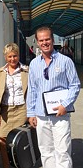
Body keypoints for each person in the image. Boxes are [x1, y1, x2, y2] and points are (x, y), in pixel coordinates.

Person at [26, 26, 80, 168]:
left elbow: (75, 85)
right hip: (41, 115)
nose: (45, 42)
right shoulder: (33, 64)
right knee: (46, 151)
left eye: (47, 39)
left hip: (60, 114)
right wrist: (30, 113)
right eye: (41, 40)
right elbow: (32, 89)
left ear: (53, 39)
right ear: (37, 42)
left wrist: (65, 105)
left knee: (62, 151)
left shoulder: (65, 61)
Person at [0, 43, 28, 168]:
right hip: (5, 111)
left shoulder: (26, 70)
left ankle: (22, 165)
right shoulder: (1, 71)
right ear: (5, 57)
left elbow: (33, 91)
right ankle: (6, 165)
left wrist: (31, 113)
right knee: (2, 140)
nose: (12, 59)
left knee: (20, 142)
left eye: (15, 56)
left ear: (18, 55)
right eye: (9, 57)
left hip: (21, 110)